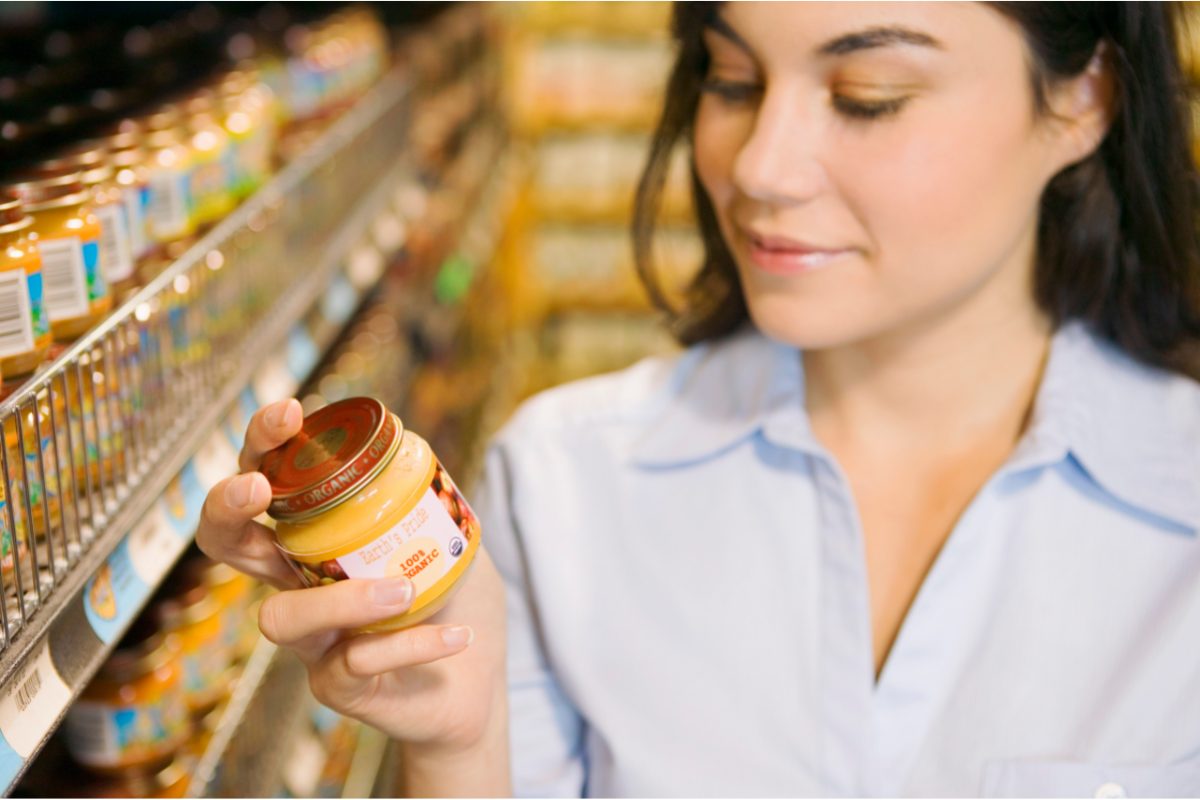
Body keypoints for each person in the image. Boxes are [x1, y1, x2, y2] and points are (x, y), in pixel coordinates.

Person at [198, 2, 1200, 796]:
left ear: (1083, 99)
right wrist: (461, 748)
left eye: (869, 94)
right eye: (731, 78)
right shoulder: (564, 487)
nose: (760, 165)